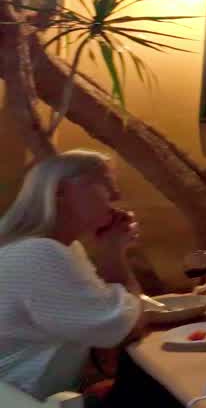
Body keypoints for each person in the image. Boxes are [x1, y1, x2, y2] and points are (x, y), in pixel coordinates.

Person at [0, 151, 146, 401]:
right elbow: (125, 326)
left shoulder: (58, 249)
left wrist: (112, 250)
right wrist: (113, 253)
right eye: (104, 182)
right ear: (59, 191)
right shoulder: (38, 254)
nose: (116, 195)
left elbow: (109, 314)